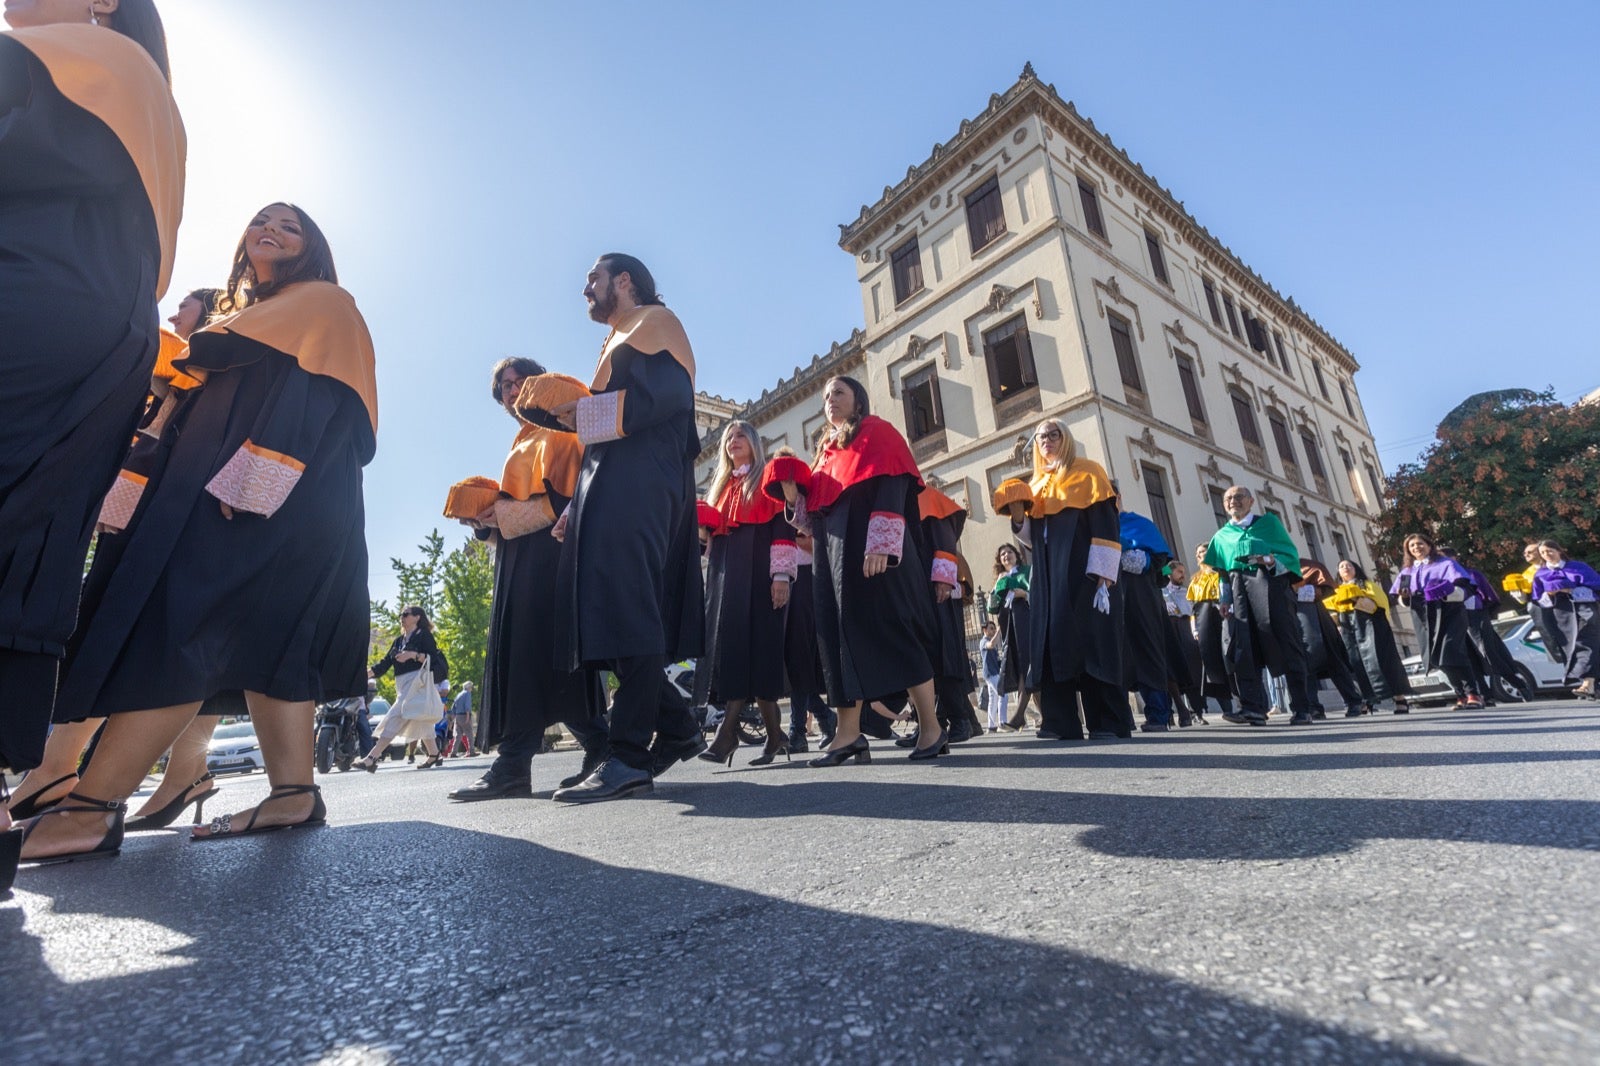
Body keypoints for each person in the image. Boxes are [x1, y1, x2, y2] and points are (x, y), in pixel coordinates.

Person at [21, 203, 376, 862]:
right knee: (270, 639)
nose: (269, 227)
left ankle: (91, 809)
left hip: (266, 489)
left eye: (289, 225)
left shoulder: (321, 301)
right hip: (235, 485)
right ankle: (294, 791)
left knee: (185, 627)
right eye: (261, 219)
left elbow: (315, 399)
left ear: (313, 248)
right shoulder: (247, 315)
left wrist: (255, 482)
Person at [1, 0, 185, 871]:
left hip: (36, 294)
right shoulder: (136, 85)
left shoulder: (69, 60)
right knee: (26, 542)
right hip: (95, 322)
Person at [549, 254, 707, 801]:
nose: (585, 287)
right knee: (607, 614)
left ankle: (628, 755)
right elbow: (602, 436)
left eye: (593, 277)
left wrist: (578, 413)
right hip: (611, 491)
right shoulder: (617, 340)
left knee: (630, 608)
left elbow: (663, 401)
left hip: (642, 486)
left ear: (623, 281)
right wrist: (575, 506)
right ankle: (680, 727)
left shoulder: (656, 323)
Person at [767, 376, 946, 764]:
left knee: (893, 630)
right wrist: (794, 498)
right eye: (826, 396)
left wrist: (882, 542)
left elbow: (893, 484)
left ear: (857, 399)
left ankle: (931, 727)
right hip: (832, 556)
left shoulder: (876, 431)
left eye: (839, 393)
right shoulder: (825, 452)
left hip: (872, 547)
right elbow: (816, 515)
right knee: (836, 638)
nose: (830, 400)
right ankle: (849, 734)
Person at [1009, 419, 1126, 740]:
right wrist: (1019, 518)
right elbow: (1035, 539)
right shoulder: (1035, 484)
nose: (1046, 440)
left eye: (1052, 434)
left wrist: (1104, 575)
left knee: (1092, 642)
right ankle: (1060, 722)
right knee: (1052, 642)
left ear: (1066, 438)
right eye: (1040, 437)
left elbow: (1105, 525)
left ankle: (1106, 723)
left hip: (1084, 572)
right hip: (1048, 577)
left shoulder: (1089, 472)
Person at [695, 421, 795, 766]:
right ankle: (775, 737)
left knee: (760, 653)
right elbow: (712, 541)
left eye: (740, 436)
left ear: (753, 443)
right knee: (737, 652)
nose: (732, 442)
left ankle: (727, 736)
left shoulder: (766, 480)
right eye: (728, 438)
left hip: (761, 578)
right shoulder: (721, 487)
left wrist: (781, 576)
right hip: (726, 581)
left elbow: (782, 528)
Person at [1203, 486, 1315, 726]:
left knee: (1287, 642)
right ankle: (1253, 708)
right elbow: (1222, 572)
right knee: (1244, 646)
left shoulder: (1268, 525)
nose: (1233, 501)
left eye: (1239, 497)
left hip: (1270, 586)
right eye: (1228, 499)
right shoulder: (1222, 536)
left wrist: (1271, 560)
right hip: (1238, 590)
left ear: (1251, 501)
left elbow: (1290, 556)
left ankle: (1302, 707)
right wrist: (1224, 599)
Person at [1391, 533, 1483, 710]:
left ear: (1429, 545)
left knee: (1451, 650)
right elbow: (1402, 596)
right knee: (1436, 657)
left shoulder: (1445, 563)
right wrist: (1404, 597)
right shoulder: (1406, 572)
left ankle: (1474, 694)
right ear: (1408, 551)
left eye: (1420, 544)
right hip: (1422, 616)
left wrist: (1446, 592)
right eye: (1412, 546)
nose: (1416, 548)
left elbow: (1464, 586)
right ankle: (1460, 695)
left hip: (1449, 611)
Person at [358, 608, 446, 771]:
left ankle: (372, 757)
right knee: (422, 720)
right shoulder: (399, 641)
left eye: (406, 614)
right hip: (403, 684)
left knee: (396, 715)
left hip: (417, 683)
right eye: (401, 615)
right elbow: (385, 663)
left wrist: (413, 655)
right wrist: (365, 674)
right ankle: (434, 754)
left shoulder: (423, 635)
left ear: (417, 617)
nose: (402, 617)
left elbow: (433, 658)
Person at [1117, 505, 1177, 733]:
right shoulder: (1090, 524)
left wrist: (1124, 552)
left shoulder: (1139, 524)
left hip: (1140, 596)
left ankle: (1159, 713)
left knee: (1148, 651)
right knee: (1114, 657)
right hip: (1109, 599)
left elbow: (1159, 562)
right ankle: (1121, 717)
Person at [1328, 560, 1412, 713]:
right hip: (1350, 630)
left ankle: (1400, 698)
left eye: (1349, 566)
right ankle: (1367, 699)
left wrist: (1357, 599)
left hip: (1371, 627)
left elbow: (1379, 605)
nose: (1345, 568)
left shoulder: (1367, 585)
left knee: (1384, 661)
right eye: (1341, 566)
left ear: (1356, 569)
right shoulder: (1337, 590)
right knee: (1356, 663)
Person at [1291, 560, 1368, 718]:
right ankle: (1312, 706)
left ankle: (1355, 701)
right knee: (1302, 662)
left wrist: (1297, 590)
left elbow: (1326, 590)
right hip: (1290, 620)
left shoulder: (1306, 565)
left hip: (1315, 617)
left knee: (1334, 661)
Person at [1529, 540, 1600, 698]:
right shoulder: (1540, 574)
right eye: (1543, 553)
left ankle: (1587, 684)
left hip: (1585, 609)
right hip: (1561, 613)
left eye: (1550, 551)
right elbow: (1537, 599)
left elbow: (1596, 586)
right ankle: (1592, 684)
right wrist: (1550, 594)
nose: (1547, 555)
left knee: (1586, 642)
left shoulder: (1578, 567)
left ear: (1559, 550)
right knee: (1572, 645)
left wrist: (1570, 589)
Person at [987, 543, 1035, 730]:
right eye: (1002, 554)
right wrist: (997, 586)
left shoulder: (1027, 571)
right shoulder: (1001, 578)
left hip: (1025, 622)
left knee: (1027, 667)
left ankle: (1019, 716)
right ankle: (1045, 718)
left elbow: (1037, 594)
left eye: (1009, 552)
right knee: (1023, 668)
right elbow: (992, 606)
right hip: (1009, 627)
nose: (1006, 555)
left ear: (1016, 555)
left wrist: (1024, 594)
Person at [1187, 545, 1238, 722]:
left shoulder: (1223, 574)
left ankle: (1249, 703)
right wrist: (1195, 628)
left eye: (1202, 552)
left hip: (1224, 617)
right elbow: (1193, 607)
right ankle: (1228, 709)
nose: (1199, 555)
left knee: (1233, 659)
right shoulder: (1195, 580)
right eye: (1197, 553)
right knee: (1213, 664)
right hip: (1205, 622)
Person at [1506, 542, 1569, 667]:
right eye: (1524, 553)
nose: (1526, 554)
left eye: (1530, 551)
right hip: (1540, 610)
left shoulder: (1556, 565)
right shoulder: (1525, 575)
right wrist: (1518, 594)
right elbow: (1523, 600)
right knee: (1553, 640)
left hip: (1562, 606)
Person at [1162, 562, 1207, 726]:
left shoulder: (1187, 591)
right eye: (1179, 572)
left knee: (1192, 670)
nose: (1183, 575)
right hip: (1169, 629)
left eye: (1183, 571)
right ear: (1169, 573)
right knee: (1170, 671)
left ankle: (1198, 711)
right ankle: (1174, 710)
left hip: (1186, 629)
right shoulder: (1161, 592)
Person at [980, 621, 1005, 731]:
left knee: (993, 699)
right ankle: (1002, 723)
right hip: (991, 674)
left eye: (994, 628)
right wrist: (999, 632)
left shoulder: (990, 640)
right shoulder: (983, 641)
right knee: (1003, 695)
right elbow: (991, 645)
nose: (993, 630)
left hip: (994, 673)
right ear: (984, 630)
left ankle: (991, 726)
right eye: (991, 628)